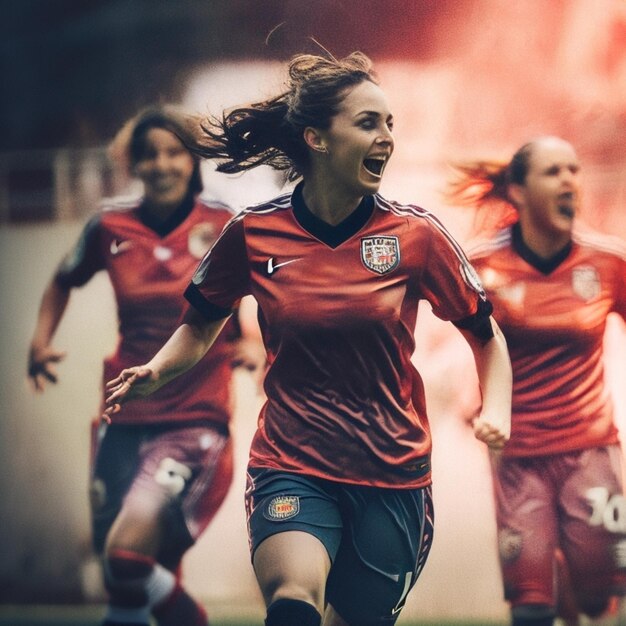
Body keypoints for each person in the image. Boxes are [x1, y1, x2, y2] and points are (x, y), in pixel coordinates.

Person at [104, 52, 512, 626]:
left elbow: (485, 335)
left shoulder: (415, 235)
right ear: (316, 138)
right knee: (293, 602)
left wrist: (497, 408)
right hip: (290, 463)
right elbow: (200, 323)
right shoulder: (252, 231)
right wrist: (158, 368)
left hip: (391, 474)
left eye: (390, 124)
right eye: (369, 123)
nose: (387, 138)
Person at [27, 105, 263, 626]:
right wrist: (40, 342)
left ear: (192, 160)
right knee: (124, 585)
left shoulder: (222, 223)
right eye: (149, 154)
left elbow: (247, 290)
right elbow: (63, 281)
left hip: (194, 418)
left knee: (131, 556)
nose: (162, 165)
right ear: (133, 163)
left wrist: (252, 342)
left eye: (174, 152)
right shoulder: (108, 226)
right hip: (122, 415)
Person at [447, 135, 626, 626]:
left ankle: (569, 574)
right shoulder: (480, 266)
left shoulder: (610, 263)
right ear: (518, 192)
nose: (569, 180)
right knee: (530, 607)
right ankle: (549, 575)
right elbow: (474, 341)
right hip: (518, 455)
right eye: (553, 172)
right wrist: (475, 399)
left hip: (591, 451)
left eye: (574, 169)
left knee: (597, 602)